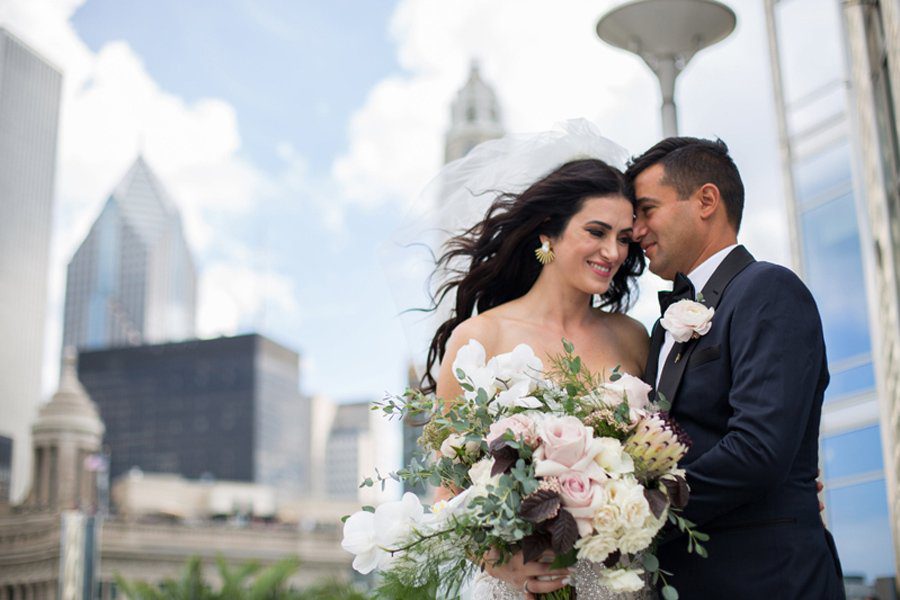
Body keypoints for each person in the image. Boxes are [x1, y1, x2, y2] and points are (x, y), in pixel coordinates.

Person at [424, 149, 654, 598]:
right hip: (514, 585)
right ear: (549, 233)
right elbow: (446, 494)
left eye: (624, 238)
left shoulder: (633, 338)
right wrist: (498, 561)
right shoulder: (481, 337)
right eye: (597, 232)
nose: (613, 252)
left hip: (613, 582)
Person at [624, 137, 845, 599]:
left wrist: (632, 514)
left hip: (770, 580)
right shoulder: (661, 329)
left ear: (706, 200)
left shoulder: (769, 289)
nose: (636, 231)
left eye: (646, 210)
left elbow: (759, 449)